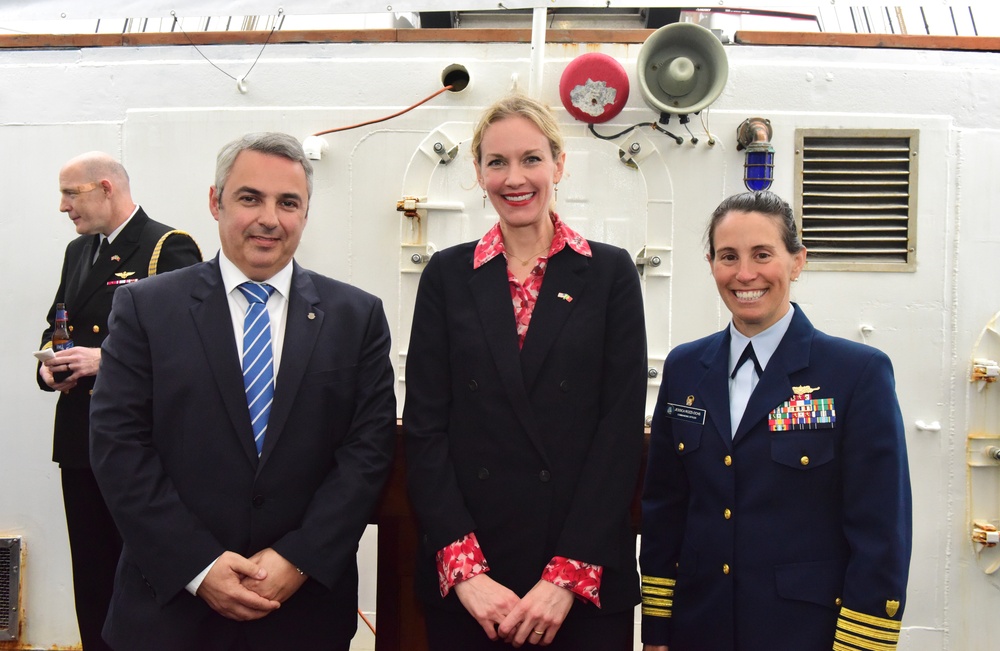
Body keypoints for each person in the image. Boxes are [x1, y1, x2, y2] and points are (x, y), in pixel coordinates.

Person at [89, 132, 397, 651]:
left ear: (305, 211)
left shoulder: (356, 317)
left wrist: (299, 557)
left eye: (288, 202)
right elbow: (118, 446)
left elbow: (367, 452)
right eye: (250, 198)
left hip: (303, 612)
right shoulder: (146, 309)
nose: (269, 219)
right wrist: (197, 565)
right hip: (169, 611)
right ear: (216, 201)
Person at [403, 94, 647, 651]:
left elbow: (617, 431)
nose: (515, 178)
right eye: (497, 162)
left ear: (559, 165)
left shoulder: (608, 273)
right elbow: (425, 428)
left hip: (578, 581)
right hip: (473, 582)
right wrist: (465, 572)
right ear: (479, 172)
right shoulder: (447, 275)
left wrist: (566, 576)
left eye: (531, 159)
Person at [639, 190, 912, 651]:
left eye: (762, 254)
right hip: (699, 628)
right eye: (729, 256)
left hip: (805, 634)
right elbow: (666, 509)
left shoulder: (855, 374)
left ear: (797, 262)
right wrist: (658, 630)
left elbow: (880, 530)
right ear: (711, 265)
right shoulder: (685, 368)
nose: (745, 274)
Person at [37, 151, 202, 650]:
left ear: (106, 187)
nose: (64, 207)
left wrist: (103, 361)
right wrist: (51, 368)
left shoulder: (165, 246)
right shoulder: (79, 252)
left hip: (139, 443)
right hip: (81, 438)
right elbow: (58, 327)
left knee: (142, 576)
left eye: (72, 193)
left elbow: (190, 344)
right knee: (92, 574)